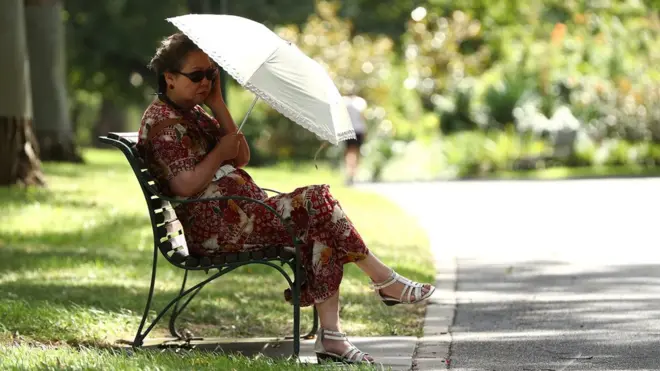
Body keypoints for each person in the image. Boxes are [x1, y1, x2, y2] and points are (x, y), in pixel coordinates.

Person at [137, 32, 436, 364]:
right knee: (318, 202)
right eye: (197, 75)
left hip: (245, 216)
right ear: (170, 78)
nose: (205, 82)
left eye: (211, 74)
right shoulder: (162, 122)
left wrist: (219, 105)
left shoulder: (194, 111)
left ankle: (334, 336)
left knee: (321, 221)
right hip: (219, 230)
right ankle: (382, 282)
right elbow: (184, 185)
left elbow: (242, 156)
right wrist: (220, 151)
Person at [342, 95, 368, 185]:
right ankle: (350, 174)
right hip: (349, 130)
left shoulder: (360, 101)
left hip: (357, 130)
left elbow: (362, 117)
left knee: (355, 153)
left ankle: (354, 174)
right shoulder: (344, 100)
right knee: (350, 153)